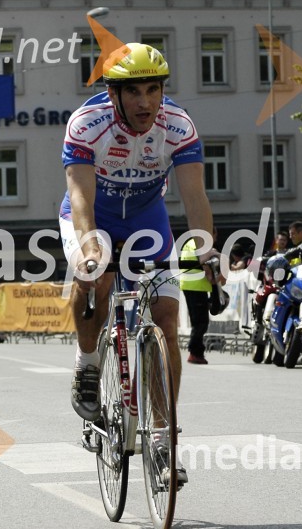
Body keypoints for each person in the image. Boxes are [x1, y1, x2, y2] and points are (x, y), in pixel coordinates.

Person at [60, 43, 219, 485]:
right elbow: (80, 197)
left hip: (148, 220)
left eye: (153, 90)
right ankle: (88, 363)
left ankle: (164, 441)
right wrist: (91, 249)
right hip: (93, 215)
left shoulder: (178, 125)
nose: (145, 102)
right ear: (113, 94)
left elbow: (194, 197)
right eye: (133, 91)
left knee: (167, 321)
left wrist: (206, 249)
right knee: (96, 278)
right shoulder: (87, 124)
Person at [180, 229, 219, 365]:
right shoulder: (202, 244)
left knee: (197, 321)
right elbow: (207, 268)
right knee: (201, 322)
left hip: (188, 284)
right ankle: (195, 352)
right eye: (215, 235)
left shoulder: (190, 243)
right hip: (197, 285)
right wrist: (214, 280)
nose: (215, 239)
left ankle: (196, 351)